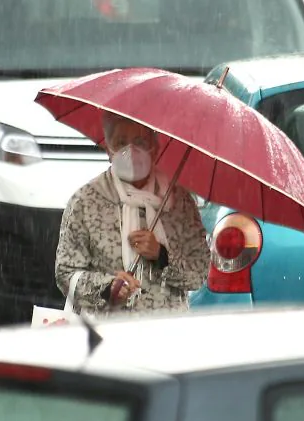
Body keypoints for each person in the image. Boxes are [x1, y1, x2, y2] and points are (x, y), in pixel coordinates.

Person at [54, 114, 208, 314]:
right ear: (108, 149)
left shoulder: (179, 202)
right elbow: (66, 272)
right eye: (120, 142)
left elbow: (198, 273)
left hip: (166, 331)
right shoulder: (86, 201)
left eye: (140, 142)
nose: (131, 150)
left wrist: (162, 256)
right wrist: (107, 288)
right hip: (108, 331)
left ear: (155, 148)